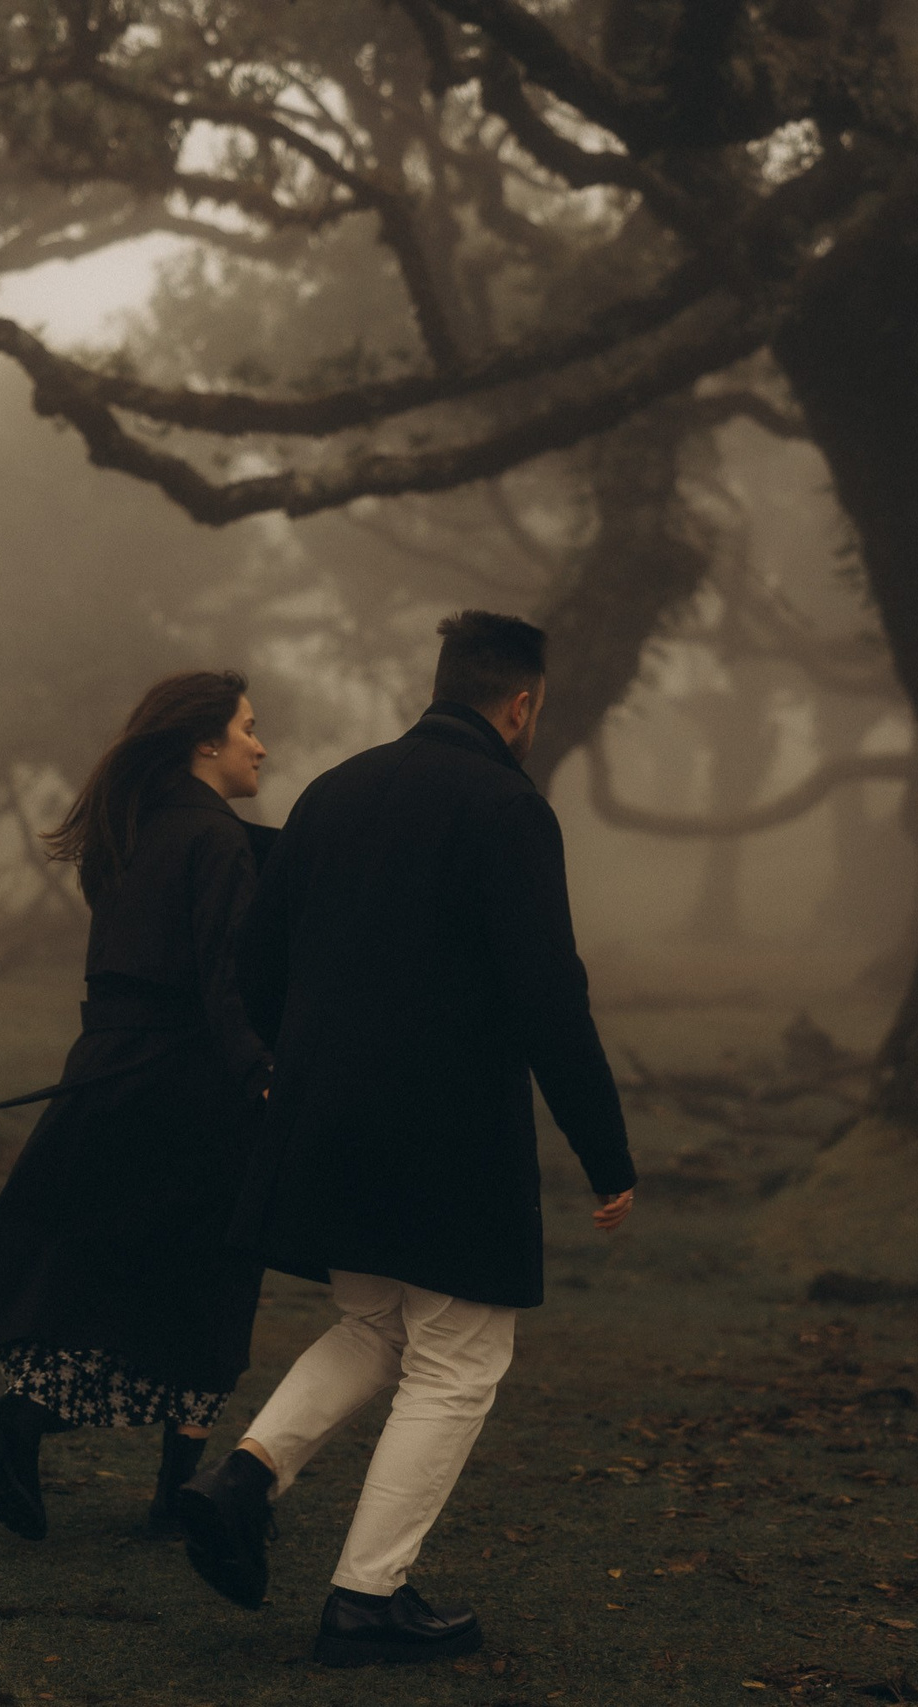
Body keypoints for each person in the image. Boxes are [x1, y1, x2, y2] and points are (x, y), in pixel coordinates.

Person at [174, 611, 638, 1669]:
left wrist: (301, 1066)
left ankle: (242, 1478)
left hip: (325, 1118)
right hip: (448, 1135)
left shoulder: (335, 791)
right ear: (520, 704)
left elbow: (255, 962)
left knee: (377, 1322)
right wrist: (605, 1152)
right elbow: (548, 997)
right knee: (461, 1360)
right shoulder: (509, 809)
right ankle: (366, 1596)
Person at [0, 671, 275, 1543]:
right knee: (210, 1281)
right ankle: (129, 1468)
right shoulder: (216, 839)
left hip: (109, 1071)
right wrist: (258, 1070)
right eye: (248, 727)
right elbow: (226, 974)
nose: (261, 744)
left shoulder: (131, 831)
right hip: (189, 1086)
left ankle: (40, 1428)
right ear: (204, 741)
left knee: (118, 1276)